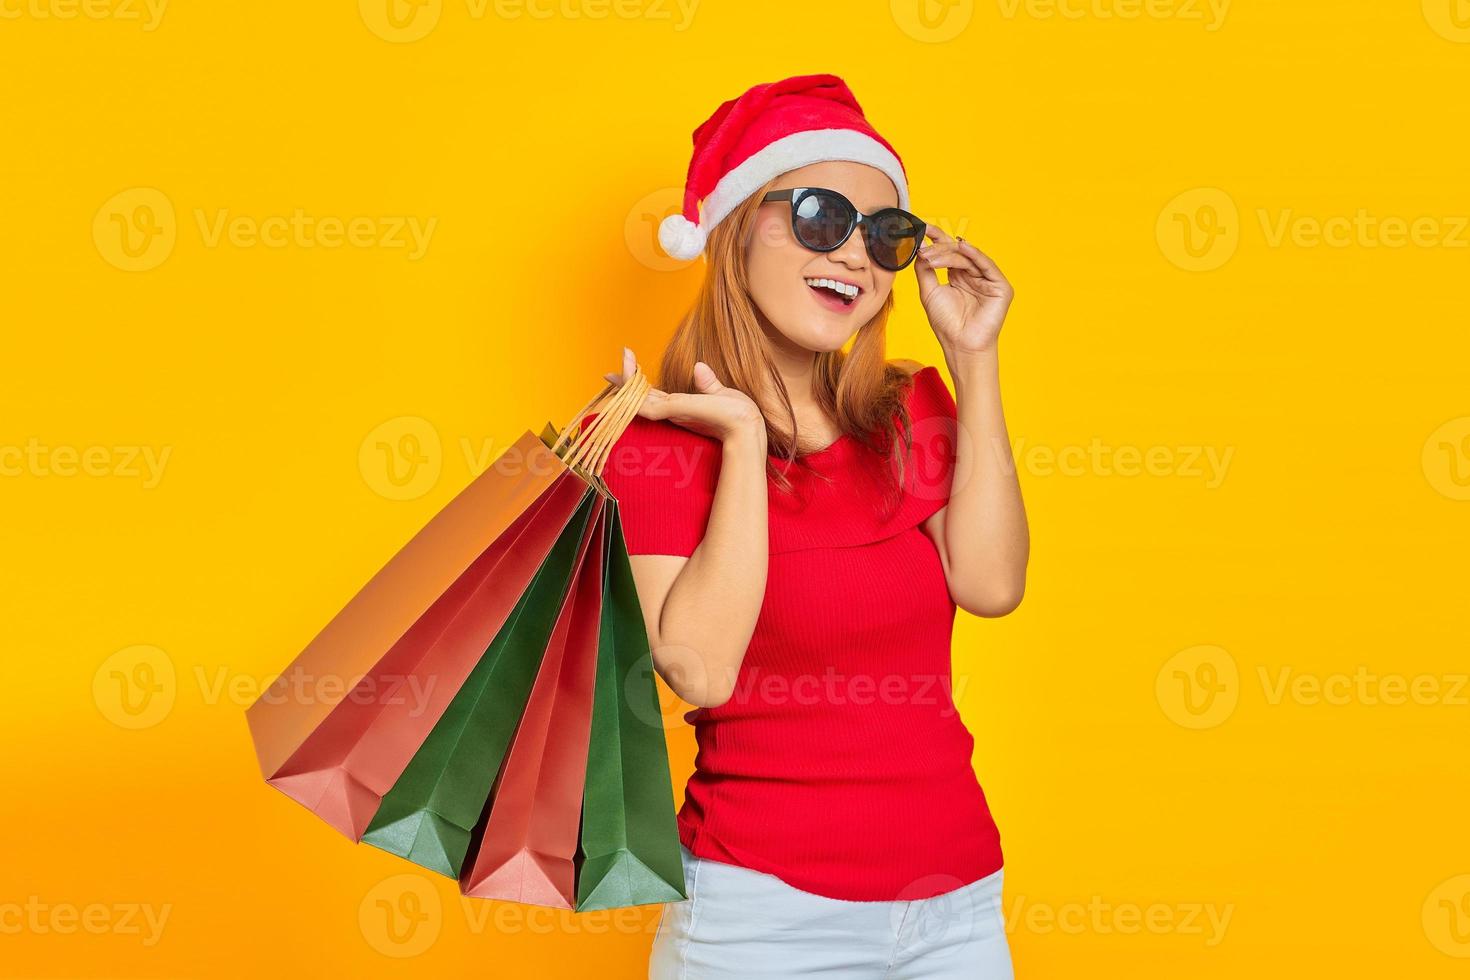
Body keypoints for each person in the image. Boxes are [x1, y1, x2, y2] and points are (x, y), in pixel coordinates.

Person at [598, 73, 1028, 979]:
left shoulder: (911, 408)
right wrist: (747, 443)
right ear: (737, 228)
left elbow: (991, 586)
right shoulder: (661, 446)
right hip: (760, 921)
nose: (858, 255)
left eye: (885, 235)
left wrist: (974, 358)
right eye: (820, 215)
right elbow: (701, 671)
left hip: (955, 904)